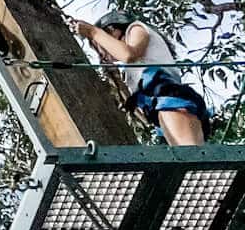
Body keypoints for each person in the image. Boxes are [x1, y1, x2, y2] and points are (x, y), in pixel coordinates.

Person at [71, 8, 210, 147]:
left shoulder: (135, 28)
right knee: (185, 155)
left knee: (188, 151)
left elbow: (128, 54)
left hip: (168, 97)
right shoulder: (132, 70)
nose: (102, 55)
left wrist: (93, 32)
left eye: (98, 47)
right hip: (159, 104)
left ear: (113, 30)